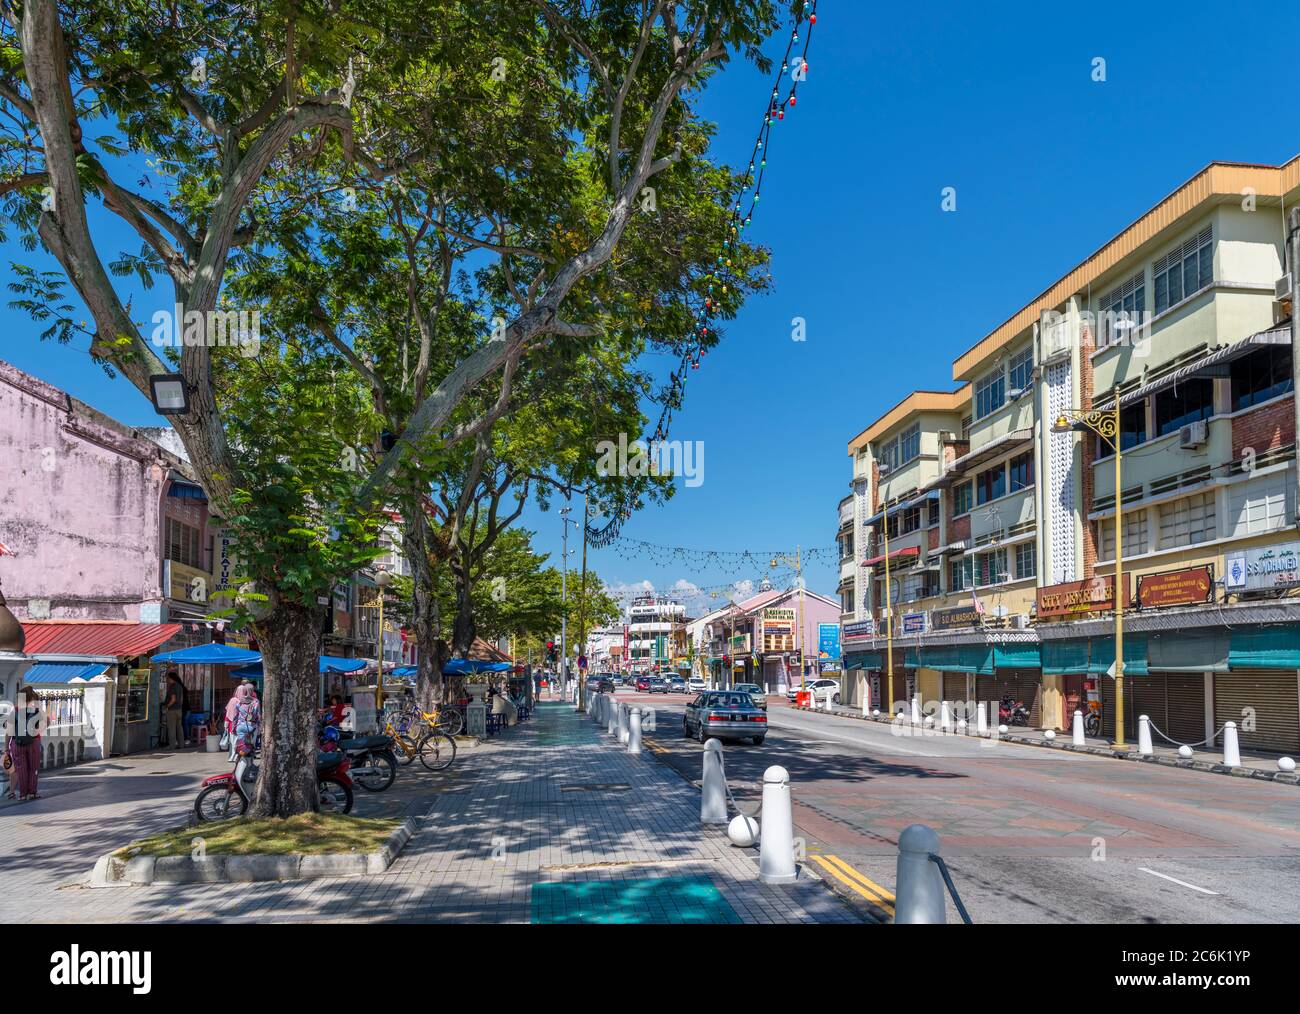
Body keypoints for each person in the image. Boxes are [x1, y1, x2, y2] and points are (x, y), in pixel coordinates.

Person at [8, 685, 44, 802]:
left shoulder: (16, 710)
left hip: (17, 743)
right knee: (33, 768)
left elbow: (9, 730)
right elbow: (45, 723)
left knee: (21, 769)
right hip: (34, 742)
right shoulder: (36, 709)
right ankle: (32, 792)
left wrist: (6, 748)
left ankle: (23, 794)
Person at [162, 670, 186, 750]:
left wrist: (167, 706)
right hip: (179, 710)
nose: (167, 680)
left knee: (171, 728)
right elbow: (181, 699)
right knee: (179, 727)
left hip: (172, 710)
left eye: (168, 678)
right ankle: (181, 744)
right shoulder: (180, 686)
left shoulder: (172, 686)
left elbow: (173, 699)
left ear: (171, 678)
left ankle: (172, 745)